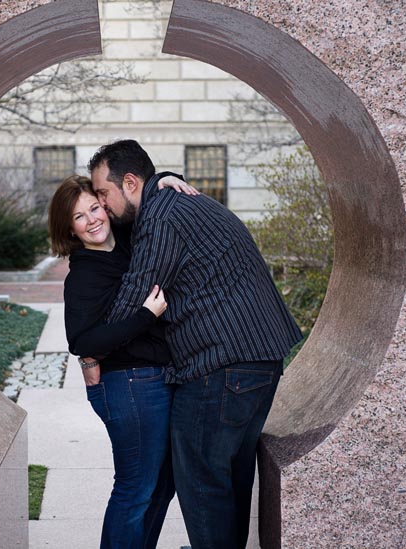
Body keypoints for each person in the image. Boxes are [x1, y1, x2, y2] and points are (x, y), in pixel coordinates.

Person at [88, 139, 304, 548]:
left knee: (200, 480)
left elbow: (138, 291)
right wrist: (169, 176)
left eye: (103, 193)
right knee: (228, 478)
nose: (102, 205)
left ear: (130, 182)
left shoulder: (162, 217)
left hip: (220, 365)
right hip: (258, 359)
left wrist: (93, 344)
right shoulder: (173, 203)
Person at [48, 174, 196, 549]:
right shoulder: (85, 273)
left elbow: (138, 195)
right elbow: (82, 341)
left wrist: (162, 178)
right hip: (130, 388)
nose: (92, 219)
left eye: (95, 207)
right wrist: (145, 316)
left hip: (153, 382)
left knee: (161, 484)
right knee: (136, 488)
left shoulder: (127, 244)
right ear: (70, 228)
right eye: (79, 217)